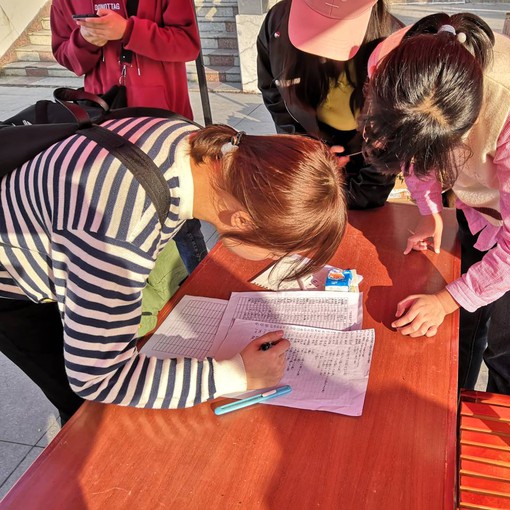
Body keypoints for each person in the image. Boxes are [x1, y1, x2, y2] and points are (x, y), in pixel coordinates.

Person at [0, 117, 347, 423]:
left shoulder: (197, 142)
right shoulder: (121, 230)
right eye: (275, 251)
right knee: (86, 414)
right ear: (242, 220)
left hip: (60, 238)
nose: (272, 258)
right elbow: (97, 377)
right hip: (15, 281)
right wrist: (237, 376)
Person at [361, 13, 510, 397]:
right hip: (481, 197)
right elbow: (413, 142)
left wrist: (445, 299)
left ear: (467, 124)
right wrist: (429, 209)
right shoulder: (389, 66)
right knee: (464, 328)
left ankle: (501, 417)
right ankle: (454, 413)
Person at [50, 0, 207, 272]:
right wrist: (84, 41)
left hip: (162, 124)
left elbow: (187, 44)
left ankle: (202, 285)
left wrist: (128, 31)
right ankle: (143, 287)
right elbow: (66, 55)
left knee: (182, 216)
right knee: (120, 211)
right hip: (106, 122)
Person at [257, 0, 403, 209]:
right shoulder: (277, 23)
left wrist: (363, 191)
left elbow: (397, 131)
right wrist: (306, 148)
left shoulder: (394, 45)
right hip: (310, 143)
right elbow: (273, 93)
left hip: (367, 160)